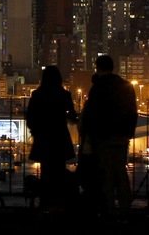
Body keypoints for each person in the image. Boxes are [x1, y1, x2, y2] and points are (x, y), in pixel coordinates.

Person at [79, 54, 138, 218]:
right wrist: (128, 132)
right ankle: (125, 208)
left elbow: (92, 114)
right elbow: (133, 112)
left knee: (106, 174)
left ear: (98, 68)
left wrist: (88, 135)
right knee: (121, 171)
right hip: (121, 137)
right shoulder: (125, 86)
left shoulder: (98, 87)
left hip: (103, 136)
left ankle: (109, 210)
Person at [25, 65, 78, 211]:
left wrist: (36, 131)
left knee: (46, 172)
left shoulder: (37, 95)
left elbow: (30, 117)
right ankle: (59, 202)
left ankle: (46, 202)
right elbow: (73, 116)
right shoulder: (64, 95)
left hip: (43, 138)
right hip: (60, 137)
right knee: (59, 171)